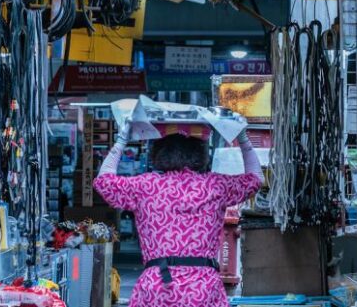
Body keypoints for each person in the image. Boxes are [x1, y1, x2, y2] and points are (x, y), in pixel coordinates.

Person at [93, 120, 264, 307]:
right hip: (203, 288)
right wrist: (242, 138)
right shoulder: (215, 186)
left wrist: (121, 139)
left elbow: (103, 181)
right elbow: (256, 179)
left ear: (158, 154)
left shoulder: (145, 186)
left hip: (157, 287)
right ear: (199, 155)